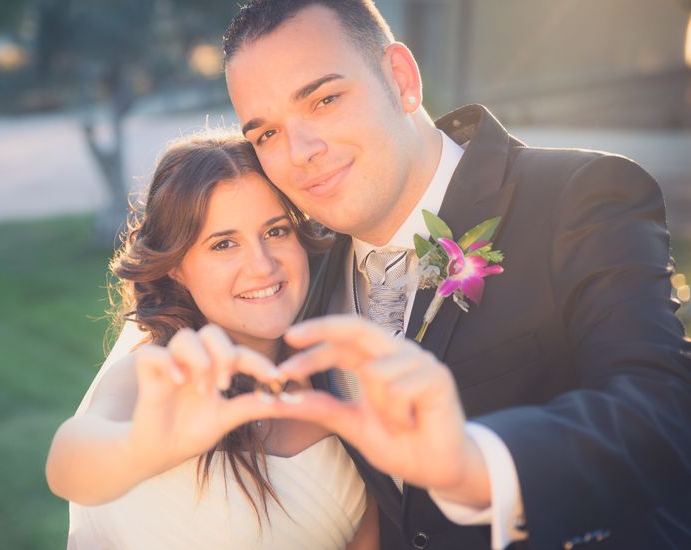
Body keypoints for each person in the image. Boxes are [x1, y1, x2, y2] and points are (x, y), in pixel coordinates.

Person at [219, 1, 691, 549]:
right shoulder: (298, 278)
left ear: (400, 79)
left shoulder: (581, 195)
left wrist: (474, 465)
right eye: (267, 135)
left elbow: (662, 414)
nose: (302, 152)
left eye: (324, 100)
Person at [45, 132, 379, 548]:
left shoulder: (338, 380)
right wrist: (144, 448)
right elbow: (69, 465)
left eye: (276, 232)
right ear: (176, 268)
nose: (262, 265)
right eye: (224, 244)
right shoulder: (158, 376)